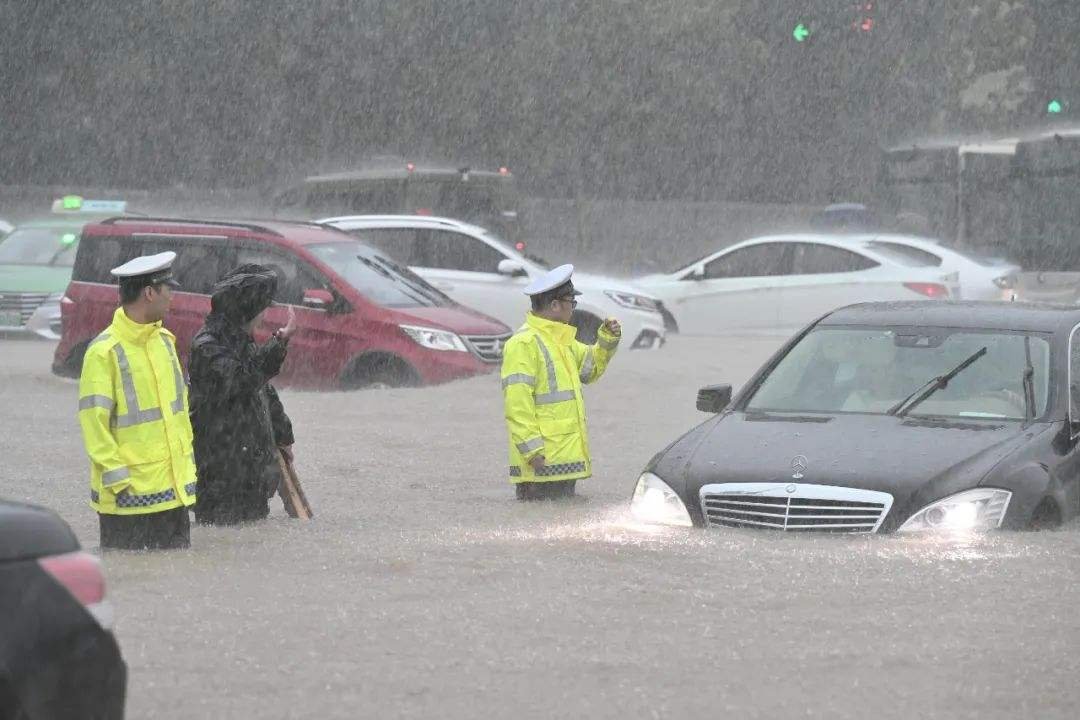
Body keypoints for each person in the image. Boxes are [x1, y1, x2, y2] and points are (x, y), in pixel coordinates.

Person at [77, 251, 196, 550]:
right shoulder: (103, 352)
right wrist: (119, 481)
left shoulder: (165, 341)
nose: (172, 298)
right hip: (127, 504)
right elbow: (94, 425)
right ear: (149, 292)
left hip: (173, 497)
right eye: (169, 290)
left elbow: (178, 416)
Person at [501, 264, 621, 500]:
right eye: (571, 302)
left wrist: (607, 339)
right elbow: (517, 404)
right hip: (540, 467)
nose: (573, 308)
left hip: (562, 463)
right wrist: (532, 451)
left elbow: (591, 369)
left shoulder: (562, 340)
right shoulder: (523, 344)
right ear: (555, 305)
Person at [188, 264, 297, 525]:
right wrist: (278, 344)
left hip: (251, 477)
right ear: (245, 311)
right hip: (221, 481)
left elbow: (263, 392)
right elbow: (242, 380)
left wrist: (283, 436)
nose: (264, 318)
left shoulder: (240, 341)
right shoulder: (207, 347)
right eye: (262, 311)